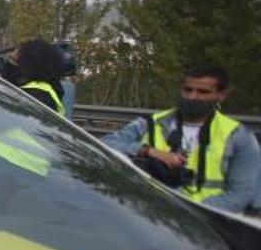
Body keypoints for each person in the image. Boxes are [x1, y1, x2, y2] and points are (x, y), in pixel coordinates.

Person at [102, 64, 260, 214]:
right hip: (148, 215)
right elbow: (104, 144)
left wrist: (190, 213)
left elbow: (241, 194)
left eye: (203, 92)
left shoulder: (238, 136)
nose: (193, 97)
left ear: (221, 95)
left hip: (208, 221)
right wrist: (148, 151)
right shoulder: (150, 123)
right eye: (188, 90)